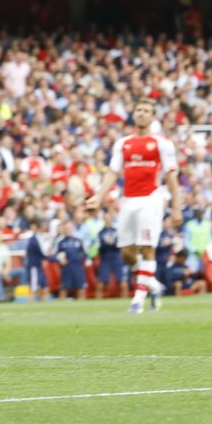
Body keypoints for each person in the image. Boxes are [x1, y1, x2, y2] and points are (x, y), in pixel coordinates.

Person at [85, 97, 181, 314]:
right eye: (139, 109)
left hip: (150, 199)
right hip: (127, 200)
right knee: (127, 253)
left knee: (147, 248)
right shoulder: (123, 143)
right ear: (134, 113)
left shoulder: (162, 143)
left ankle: (138, 300)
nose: (141, 113)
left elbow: (171, 176)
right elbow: (112, 173)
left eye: (146, 110)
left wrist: (176, 207)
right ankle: (153, 285)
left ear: (153, 116)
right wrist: (98, 197)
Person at [95, 210, 129, 300]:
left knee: (123, 283)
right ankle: (97, 304)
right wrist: (105, 243)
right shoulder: (100, 233)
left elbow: (121, 245)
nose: (108, 220)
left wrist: (113, 243)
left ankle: (124, 302)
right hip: (105, 259)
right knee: (101, 283)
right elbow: (98, 248)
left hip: (116, 259)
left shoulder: (116, 231)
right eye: (106, 218)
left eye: (109, 218)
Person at [54, 220, 88, 300]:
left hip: (77, 267)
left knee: (81, 287)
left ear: (72, 229)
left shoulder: (78, 240)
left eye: (69, 228)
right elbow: (55, 254)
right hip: (66, 268)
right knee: (64, 288)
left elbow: (84, 253)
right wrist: (60, 259)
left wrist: (86, 260)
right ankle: (61, 308)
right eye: (66, 229)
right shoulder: (60, 241)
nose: (68, 230)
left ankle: (82, 307)